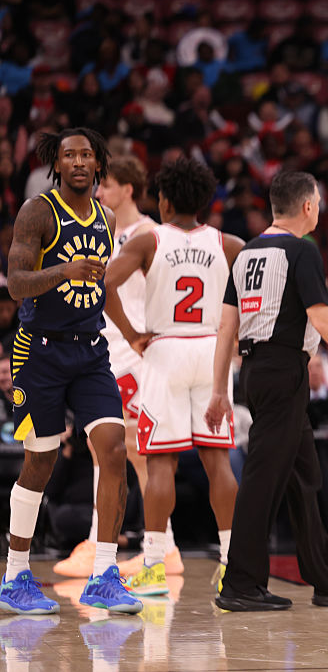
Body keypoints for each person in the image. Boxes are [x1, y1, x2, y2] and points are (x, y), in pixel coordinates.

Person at [204, 171, 328, 611]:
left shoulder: (246, 253)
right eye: (319, 202)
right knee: (263, 478)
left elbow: (226, 327)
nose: (320, 209)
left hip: (259, 371)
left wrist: (219, 390)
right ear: (308, 207)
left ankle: (325, 576)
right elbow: (322, 319)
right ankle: (241, 583)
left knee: (304, 477)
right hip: (283, 369)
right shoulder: (301, 251)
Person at [1, 127, 141, 614]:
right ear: (56, 165)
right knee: (41, 461)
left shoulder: (105, 215)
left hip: (90, 352)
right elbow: (17, 284)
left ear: (99, 164)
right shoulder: (38, 211)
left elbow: (104, 288)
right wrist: (64, 270)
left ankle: (105, 574)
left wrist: (131, 330)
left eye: (87, 155)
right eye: (69, 155)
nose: (79, 162)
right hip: (39, 353)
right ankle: (16, 573)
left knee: (114, 448)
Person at [103, 157, 244, 597]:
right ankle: (232, 563)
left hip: (163, 350)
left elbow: (105, 286)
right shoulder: (230, 244)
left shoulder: (147, 240)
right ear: (205, 201)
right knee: (217, 461)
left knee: (160, 462)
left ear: (163, 201)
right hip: (212, 352)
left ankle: (152, 566)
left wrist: (131, 334)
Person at [53, 155, 179, 578]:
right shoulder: (105, 231)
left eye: (106, 184)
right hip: (105, 348)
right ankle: (102, 539)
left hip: (137, 350)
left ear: (128, 189)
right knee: (101, 446)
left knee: (138, 450)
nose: (98, 190)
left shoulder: (150, 233)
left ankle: (162, 546)